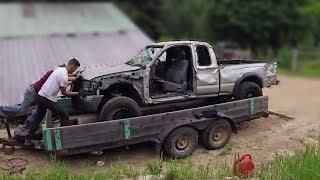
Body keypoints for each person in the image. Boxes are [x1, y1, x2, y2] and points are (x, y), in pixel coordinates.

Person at [28, 58, 81, 136]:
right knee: (64, 115)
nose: (74, 71)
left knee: (38, 118)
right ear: (72, 66)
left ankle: (29, 138)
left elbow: (64, 78)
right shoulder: (64, 76)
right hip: (46, 99)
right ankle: (63, 138)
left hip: (40, 95)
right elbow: (65, 93)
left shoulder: (60, 69)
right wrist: (78, 93)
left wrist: (75, 79)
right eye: (75, 69)